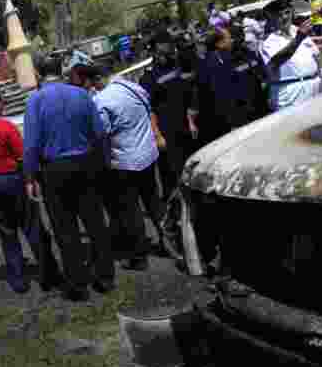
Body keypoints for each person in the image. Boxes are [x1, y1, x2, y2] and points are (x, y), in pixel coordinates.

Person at [23, 56, 115, 301]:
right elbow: (99, 132)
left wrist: (30, 177)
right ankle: (105, 277)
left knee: (65, 229)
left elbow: (31, 144)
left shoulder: (35, 100)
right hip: (85, 163)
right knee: (95, 222)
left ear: (40, 74)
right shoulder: (81, 95)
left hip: (54, 169)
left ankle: (78, 284)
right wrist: (102, 162)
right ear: (60, 72)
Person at [0, 88, 62, 294]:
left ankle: (18, 280)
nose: (3, 108)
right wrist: (31, 181)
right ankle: (49, 274)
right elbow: (22, 158)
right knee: (33, 228)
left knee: (7, 233)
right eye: (2, 104)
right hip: (12, 181)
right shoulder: (6, 127)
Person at [96, 65, 165, 271]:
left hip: (124, 161)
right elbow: (148, 111)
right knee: (154, 202)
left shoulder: (102, 100)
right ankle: (170, 243)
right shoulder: (134, 87)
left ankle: (139, 255)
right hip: (148, 154)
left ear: (99, 79)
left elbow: (102, 133)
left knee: (131, 210)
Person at [140, 30, 198, 200]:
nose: (170, 46)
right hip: (167, 134)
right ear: (157, 48)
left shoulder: (176, 65)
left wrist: (191, 120)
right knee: (172, 178)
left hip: (186, 128)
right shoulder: (149, 76)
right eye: (166, 43)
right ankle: (174, 217)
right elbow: (148, 109)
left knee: (191, 171)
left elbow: (187, 92)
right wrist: (157, 136)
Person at [191, 25, 266, 148]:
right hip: (234, 121)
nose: (231, 41)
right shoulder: (213, 63)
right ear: (219, 44)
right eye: (228, 38)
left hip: (247, 114)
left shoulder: (233, 55)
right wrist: (233, 123)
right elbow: (222, 95)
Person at [259, 0, 322, 112]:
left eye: (287, 13)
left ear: (292, 13)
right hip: (290, 93)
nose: (284, 17)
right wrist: (298, 38)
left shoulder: (298, 31)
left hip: (314, 86)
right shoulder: (268, 42)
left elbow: (315, 53)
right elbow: (276, 61)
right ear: (272, 18)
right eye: (279, 15)